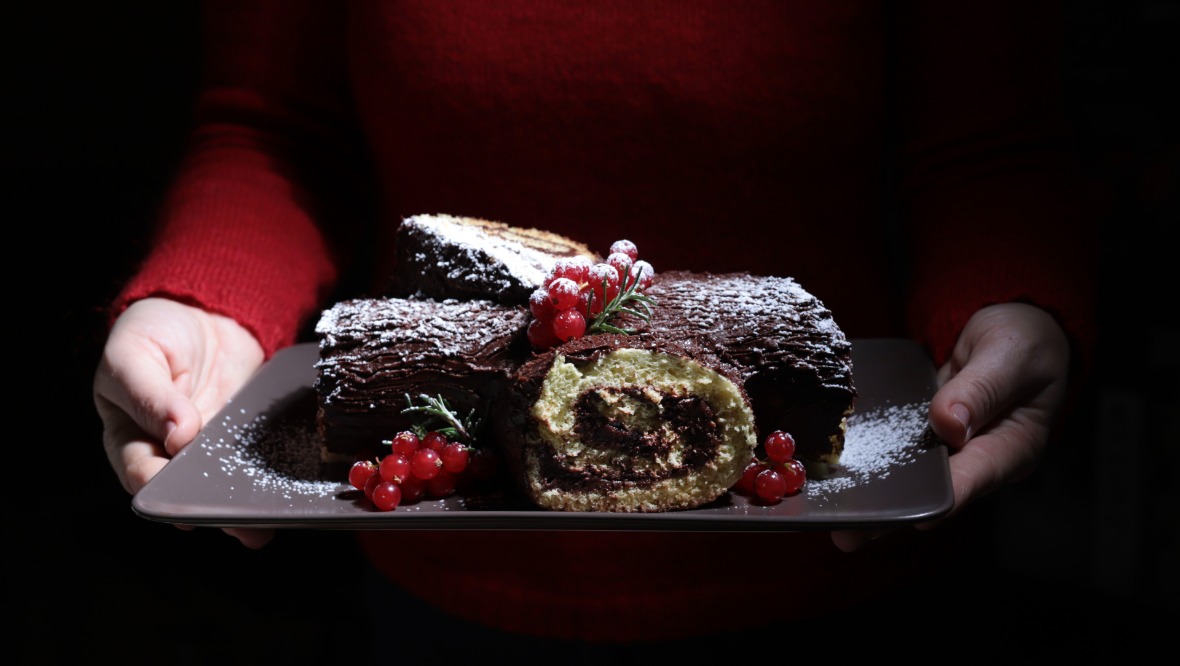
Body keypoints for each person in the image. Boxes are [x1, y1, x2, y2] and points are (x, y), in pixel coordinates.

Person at [94, 0, 1099, 653]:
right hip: (444, 592)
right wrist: (206, 300)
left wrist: (1006, 295)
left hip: (845, 563)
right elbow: (271, 129)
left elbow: (987, 149)